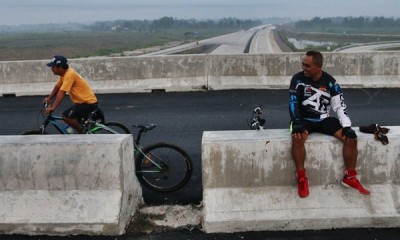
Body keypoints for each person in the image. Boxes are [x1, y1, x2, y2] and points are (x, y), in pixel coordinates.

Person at [288, 50, 370, 198]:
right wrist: (296, 122)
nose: (303, 68)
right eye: (302, 64)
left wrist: (347, 126)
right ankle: (301, 178)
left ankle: (350, 177)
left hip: (324, 119)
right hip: (303, 120)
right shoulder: (297, 79)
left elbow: (339, 106)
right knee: (297, 137)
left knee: (351, 139)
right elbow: (292, 102)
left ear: (318, 67)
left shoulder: (331, 82)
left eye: (307, 66)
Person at [44, 55, 98, 133]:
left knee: (66, 117)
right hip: (83, 103)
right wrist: (49, 98)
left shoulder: (70, 74)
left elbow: (62, 92)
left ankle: (82, 133)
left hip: (88, 104)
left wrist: (53, 107)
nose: (51, 69)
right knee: (71, 118)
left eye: (53, 66)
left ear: (60, 67)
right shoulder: (64, 74)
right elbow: (57, 87)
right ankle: (81, 131)